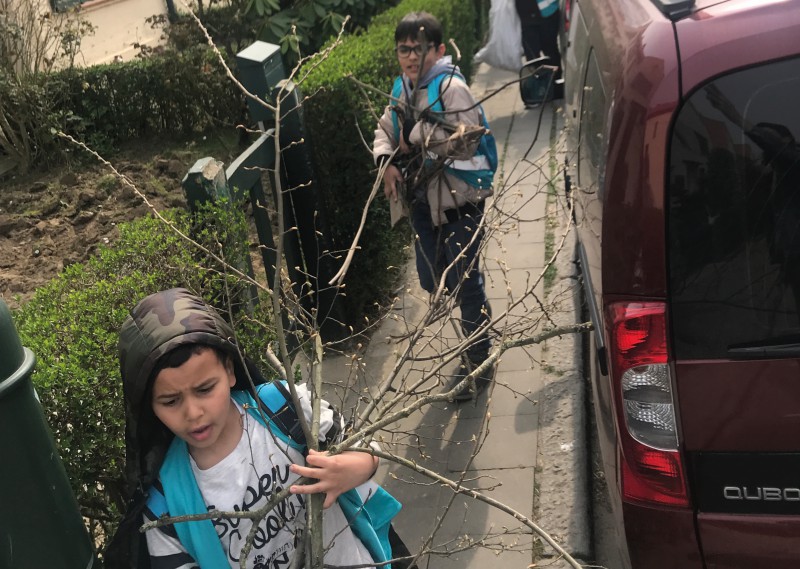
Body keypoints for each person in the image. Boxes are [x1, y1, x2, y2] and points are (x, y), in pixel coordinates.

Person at [104, 287, 399, 569]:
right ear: (149, 407)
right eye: (170, 401)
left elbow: (364, 446)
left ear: (230, 370)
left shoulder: (285, 407)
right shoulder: (165, 501)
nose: (193, 413)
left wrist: (355, 467)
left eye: (205, 389)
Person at [373, 11, 495, 401]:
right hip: (424, 203)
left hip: (460, 203)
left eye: (419, 49)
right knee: (431, 278)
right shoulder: (402, 87)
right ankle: (476, 316)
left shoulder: (450, 88)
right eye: (403, 50)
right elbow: (385, 130)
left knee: (464, 281)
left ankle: (477, 359)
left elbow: (467, 139)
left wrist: (419, 133)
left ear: (439, 50)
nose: (410, 57)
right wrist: (387, 161)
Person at [515, 0, 563, 99]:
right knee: (534, 56)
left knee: (549, 51)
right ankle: (540, 90)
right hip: (529, 16)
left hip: (545, 11)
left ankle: (554, 87)